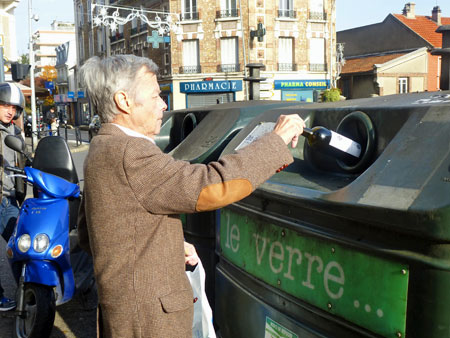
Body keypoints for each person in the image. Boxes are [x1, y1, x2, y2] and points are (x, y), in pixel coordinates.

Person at [77, 55, 305, 338]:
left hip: (124, 309)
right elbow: (210, 185)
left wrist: (166, 245)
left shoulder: (101, 147)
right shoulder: (130, 153)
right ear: (124, 101)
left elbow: (92, 232)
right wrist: (275, 141)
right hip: (149, 320)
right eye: (156, 96)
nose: (164, 105)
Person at [0, 82, 26, 311]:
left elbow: (23, 162)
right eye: (5, 105)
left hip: (8, 198)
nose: (10, 110)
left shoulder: (15, 131)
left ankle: (26, 291)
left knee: (19, 243)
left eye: (13, 107)